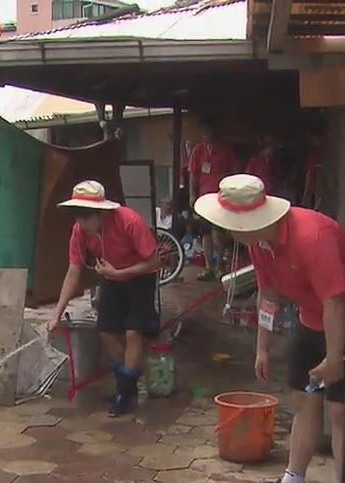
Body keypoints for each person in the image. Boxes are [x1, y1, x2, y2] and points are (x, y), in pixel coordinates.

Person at [194, 174, 345, 483]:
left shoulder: (312, 237)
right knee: (304, 398)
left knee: (341, 408)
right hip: (311, 315)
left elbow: (335, 301)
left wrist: (335, 357)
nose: (229, 233)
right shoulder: (258, 242)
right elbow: (267, 293)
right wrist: (261, 345)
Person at [48, 180, 161, 416]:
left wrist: (119, 273)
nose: (81, 222)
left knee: (133, 333)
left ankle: (124, 394)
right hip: (111, 279)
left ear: (102, 212)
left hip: (140, 277)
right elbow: (74, 271)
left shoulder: (129, 221)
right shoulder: (80, 231)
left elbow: (154, 262)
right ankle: (126, 386)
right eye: (77, 215)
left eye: (86, 216)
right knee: (107, 332)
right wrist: (56, 313)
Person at [186, 123, 238, 282]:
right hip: (203, 197)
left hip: (220, 197)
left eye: (209, 132)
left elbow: (234, 171)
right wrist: (192, 194)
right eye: (204, 132)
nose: (207, 135)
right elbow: (193, 174)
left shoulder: (225, 150)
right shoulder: (198, 150)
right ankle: (208, 266)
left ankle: (219, 266)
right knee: (205, 233)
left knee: (218, 234)